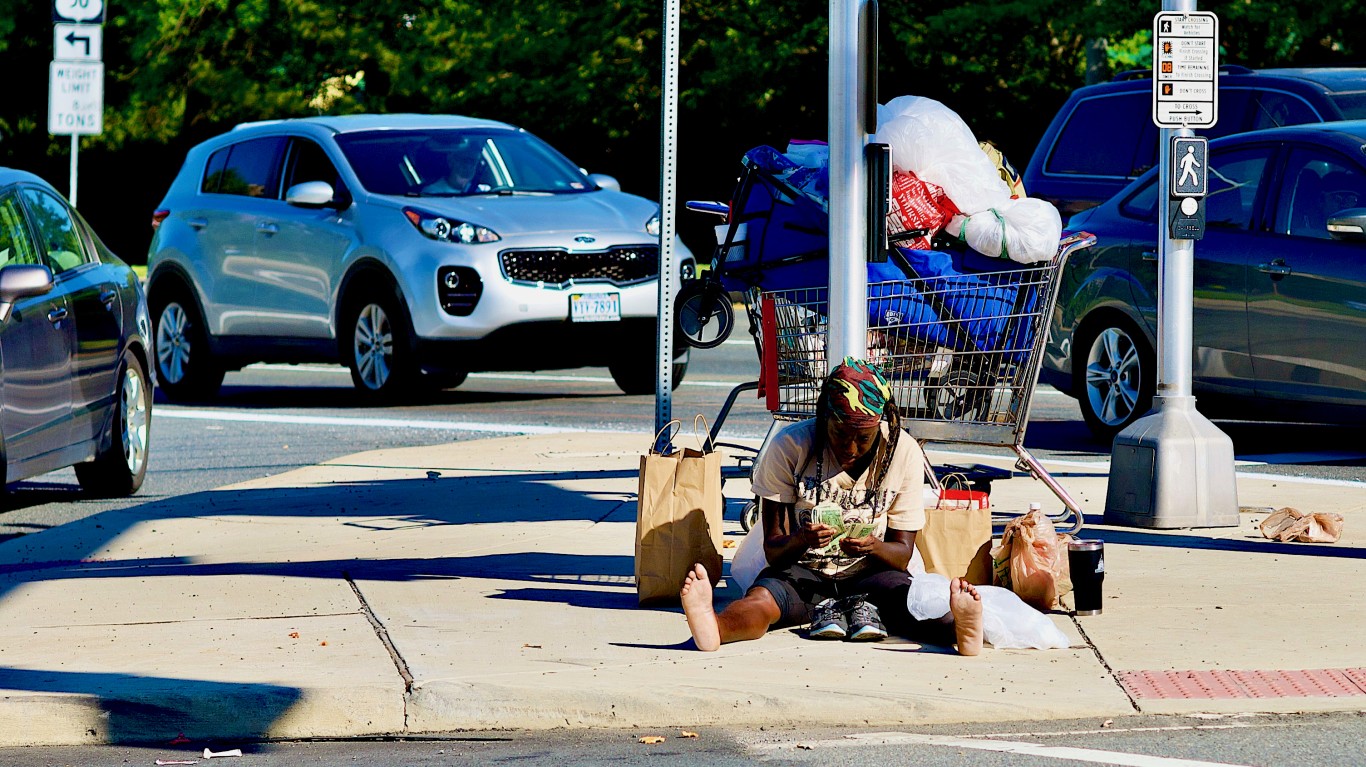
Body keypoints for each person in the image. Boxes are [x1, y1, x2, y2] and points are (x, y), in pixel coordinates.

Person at [680, 357, 984, 655]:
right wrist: (803, 539)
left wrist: (873, 547)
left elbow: (902, 554)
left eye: (863, 438)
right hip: (802, 571)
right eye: (839, 434)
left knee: (910, 605)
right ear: (825, 418)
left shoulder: (902, 452)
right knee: (762, 600)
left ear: (879, 425)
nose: (850, 449)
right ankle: (716, 627)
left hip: (871, 575)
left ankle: (959, 628)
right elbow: (773, 550)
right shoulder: (790, 446)